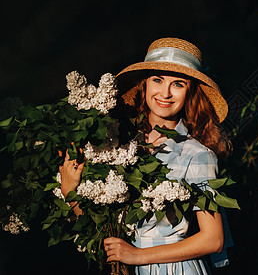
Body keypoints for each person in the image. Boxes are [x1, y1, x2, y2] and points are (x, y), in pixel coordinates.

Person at [59, 37, 232, 274]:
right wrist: (70, 191)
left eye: (178, 84)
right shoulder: (122, 150)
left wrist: (137, 255)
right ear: (145, 84)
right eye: (158, 80)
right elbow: (104, 230)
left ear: (189, 91)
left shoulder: (198, 155)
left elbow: (213, 240)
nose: (166, 93)